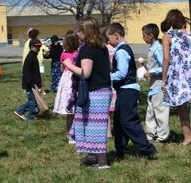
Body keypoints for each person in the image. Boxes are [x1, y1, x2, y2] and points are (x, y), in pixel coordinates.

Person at [63, 17, 112, 169]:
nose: (77, 34)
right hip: (104, 91)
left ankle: (102, 163)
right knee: (92, 126)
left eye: (79, 30)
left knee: (94, 128)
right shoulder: (102, 47)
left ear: (86, 31)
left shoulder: (87, 49)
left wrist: (69, 65)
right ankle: (92, 157)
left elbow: (86, 73)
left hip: (94, 94)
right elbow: (109, 67)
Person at [107, 23, 156, 160]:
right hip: (125, 90)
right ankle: (121, 150)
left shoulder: (121, 51)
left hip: (127, 90)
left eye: (109, 38)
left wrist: (107, 77)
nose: (108, 41)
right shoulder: (122, 49)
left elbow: (122, 73)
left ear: (116, 36)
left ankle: (147, 149)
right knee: (119, 122)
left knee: (129, 121)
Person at [161, 9, 191, 146]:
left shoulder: (167, 36)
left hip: (178, 74)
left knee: (182, 106)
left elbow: (166, 58)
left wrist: (163, 79)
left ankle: (187, 137)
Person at [142, 23, 170, 142]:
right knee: (151, 109)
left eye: (144, 35)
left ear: (150, 35)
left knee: (160, 110)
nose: (143, 38)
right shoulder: (152, 47)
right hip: (153, 85)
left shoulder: (158, 48)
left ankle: (163, 135)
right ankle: (150, 133)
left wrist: (151, 72)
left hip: (159, 83)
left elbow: (164, 65)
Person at [53, 31, 79, 143]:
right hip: (74, 80)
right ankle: (74, 135)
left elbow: (61, 69)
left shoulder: (63, 54)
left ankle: (70, 135)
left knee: (70, 113)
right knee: (75, 112)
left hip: (67, 80)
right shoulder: (78, 53)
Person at [15, 39, 43, 120]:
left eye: (40, 47)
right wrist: (30, 84)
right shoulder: (30, 58)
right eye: (37, 47)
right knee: (33, 101)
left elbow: (36, 73)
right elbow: (26, 73)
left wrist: (39, 84)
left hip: (34, 84)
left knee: (33, 100)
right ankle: (30, 116)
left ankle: (19, 111)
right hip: (29, 84)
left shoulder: (34, 57)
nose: (39, 49)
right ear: (31, 47)